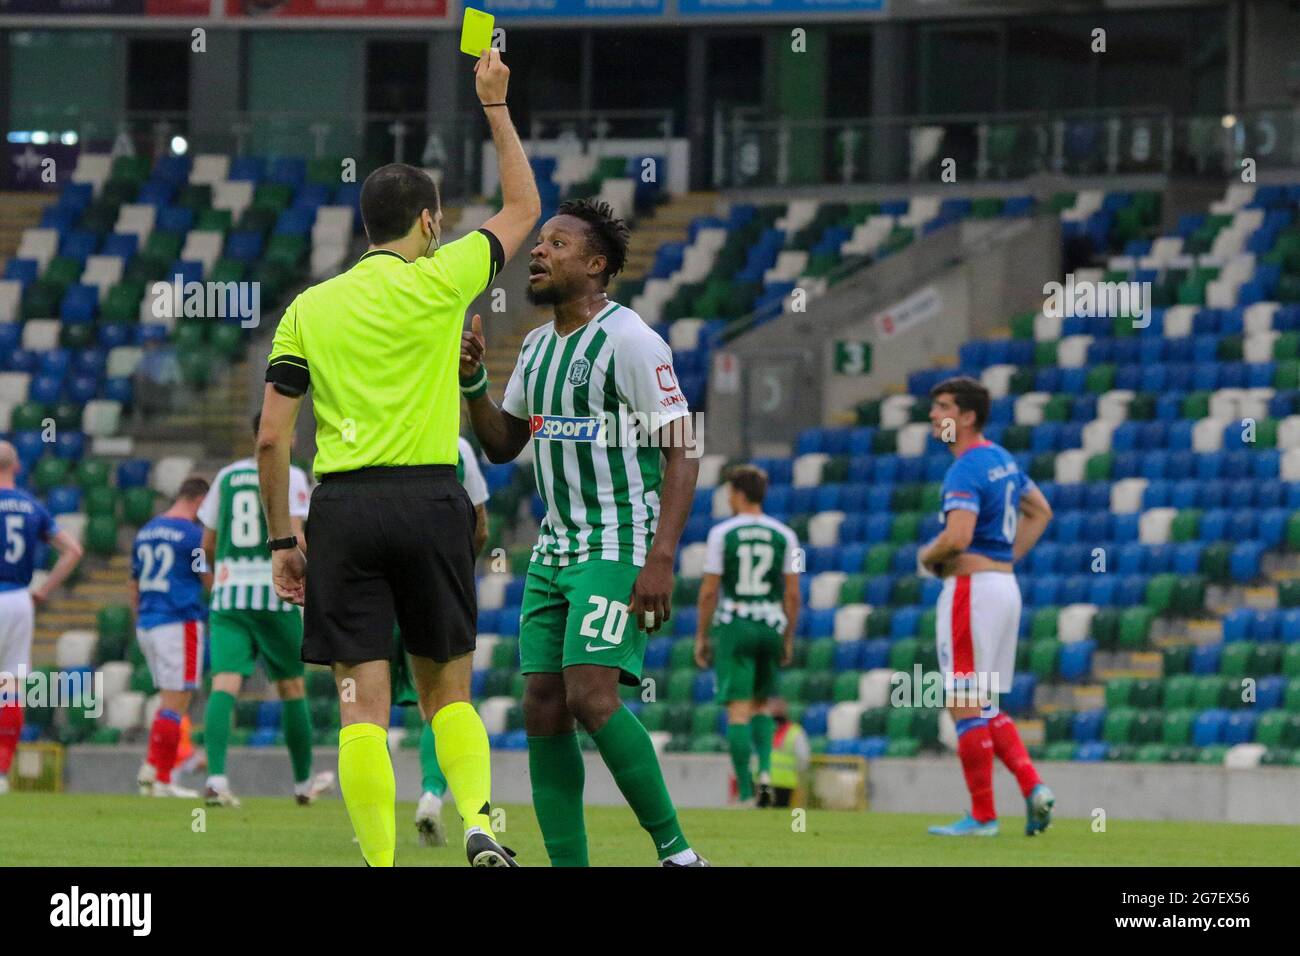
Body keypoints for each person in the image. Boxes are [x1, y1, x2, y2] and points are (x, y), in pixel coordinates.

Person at [259, 49, 540, 867]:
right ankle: (482, 821)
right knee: (446, 690)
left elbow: (272, 436)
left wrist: (284, 540)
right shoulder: (444, 279)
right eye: (439, 219)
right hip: (430, 499)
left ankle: (381, 863)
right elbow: (524, 205)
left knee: (360, 706)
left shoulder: (309, 308)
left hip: (343, 510)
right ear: (427, 223)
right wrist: (493, 105)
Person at [461, 197, 709, 867]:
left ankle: (679, 854)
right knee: (542, 706)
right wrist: (475, 381)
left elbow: (683, 446)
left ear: (596, 265)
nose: (539, 253)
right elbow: (503, 444)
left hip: (618, 540)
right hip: (553, 549)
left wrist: (662, 557)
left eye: (558, 245)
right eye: (539, 243)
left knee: (590, 695)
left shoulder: (630, 341)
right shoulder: (538, 349)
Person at [917, 376, 1055, 837]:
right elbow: (1041, 510)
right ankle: (1033, 787)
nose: (934, 416)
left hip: (971, 591)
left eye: (943, 407)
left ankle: (982, 816)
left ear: (968, 416)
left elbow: (957, 537)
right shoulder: (1003, 460)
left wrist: (926, 556)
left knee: (962, 700)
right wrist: (1004, 560)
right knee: (984, 701)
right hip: (1002, 588)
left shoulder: (965, 469)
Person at [197, 414, 333, 808]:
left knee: (224, 683)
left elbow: (207, 542)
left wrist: (220, 576)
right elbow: (295, 533)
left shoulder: (225, 477)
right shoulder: (288, 474)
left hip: (229, 595)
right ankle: (303, 783)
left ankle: (217, 779)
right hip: (277, 593)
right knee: (291, 685)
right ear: (283, 433)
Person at [391, 435, 491, 847]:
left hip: (377, 589)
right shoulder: (458, 447)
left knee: (366, 702)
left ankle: (370, 825)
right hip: (439, 584)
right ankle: (437, 796)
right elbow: (481, 526)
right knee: (446, 701)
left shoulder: (379, 430)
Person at [694, 464, 800, 808]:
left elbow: (709, 591)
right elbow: (793, 594)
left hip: (736, 623)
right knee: (762, 705)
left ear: (739, 494)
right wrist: (787, 637)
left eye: (729, 493)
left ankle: (744, 792)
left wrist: (701, 635)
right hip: (771, 624)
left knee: (738, 711)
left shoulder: (722, 534)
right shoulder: (786, 535)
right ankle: (766, 772)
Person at [0, 441, 84, 794]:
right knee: (10, 687)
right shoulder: (31, 506)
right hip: (19, 598)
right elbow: (73, 551)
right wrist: (44, 589)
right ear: (17, 467)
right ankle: (2, 772)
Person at [131, 476, 212, 798]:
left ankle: (152, 771)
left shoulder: (147, 531)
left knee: (168, 700)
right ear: (201, 501)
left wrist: (142, 619)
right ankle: (161, 778)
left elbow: (132, 583)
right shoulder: (193, 535)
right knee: (176, 701)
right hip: (179, 621)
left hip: (148, 623)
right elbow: (205, 576)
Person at [767, 699, 809, 808]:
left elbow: (803, 757)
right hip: (770, 780)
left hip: (783, 782)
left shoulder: (795, 731)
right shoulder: (795, 732)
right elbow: (803, 758)